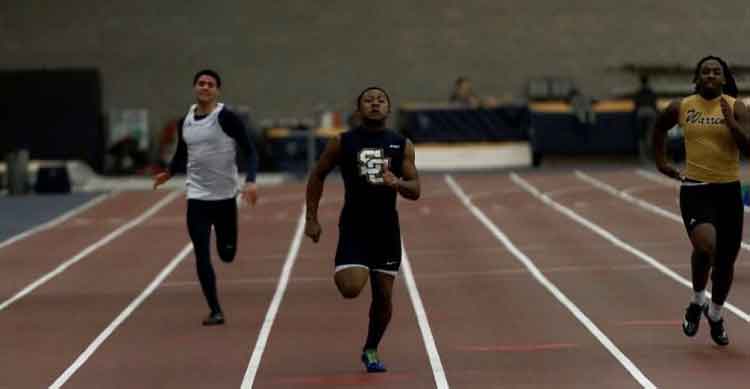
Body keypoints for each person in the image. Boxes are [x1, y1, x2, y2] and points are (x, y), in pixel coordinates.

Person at [304, 86, 420, 372]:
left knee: (383, 295)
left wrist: (398, 184)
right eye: (368, 100)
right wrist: (311, 217)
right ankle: (358, 265)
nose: (375, 104)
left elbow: (415, 190)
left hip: (386, 229)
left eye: (381, 100)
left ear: (388, 109)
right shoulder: (342, 142)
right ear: (359, 109)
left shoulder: (401, 144)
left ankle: (371, 348)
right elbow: (317, 174)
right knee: (351, 287)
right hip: (355, 226)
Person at [652, 56, 749, 346]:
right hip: (696, 188)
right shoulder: (682, 107)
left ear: (723, 78)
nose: (710, 75)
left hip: (728, 191)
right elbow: (658, 128)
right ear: (697, 78)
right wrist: (661, 161)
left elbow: (749, 146)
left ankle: (716, 314)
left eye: (715, 72)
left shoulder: (736, 107)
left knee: (726, 262)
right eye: (705, 71)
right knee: (705, 246)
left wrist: (731, 123)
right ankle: (697, 301)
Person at [153, 69, 259, 326]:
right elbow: (181, 152)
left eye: (210, 84)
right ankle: (215, 310)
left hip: (224, 198)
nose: (205, 87)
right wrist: (168, 173)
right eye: (201, 83)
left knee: (226, 254)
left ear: (217, 91)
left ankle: (228, 246)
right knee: (201, 253)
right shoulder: (185, 121)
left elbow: (250, 150)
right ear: (194, 88)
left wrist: (251, 181)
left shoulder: (226, 118)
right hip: (197, 198)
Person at [634, 75, 659, 161]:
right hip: (650, 111)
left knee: (641, 135)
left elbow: (636, 104)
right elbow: (654, 104)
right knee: (650, 134)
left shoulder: (638, 92)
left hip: (641, 112)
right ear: (648, 81)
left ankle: (642, 156)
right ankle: (650, 155)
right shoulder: (651, 91)